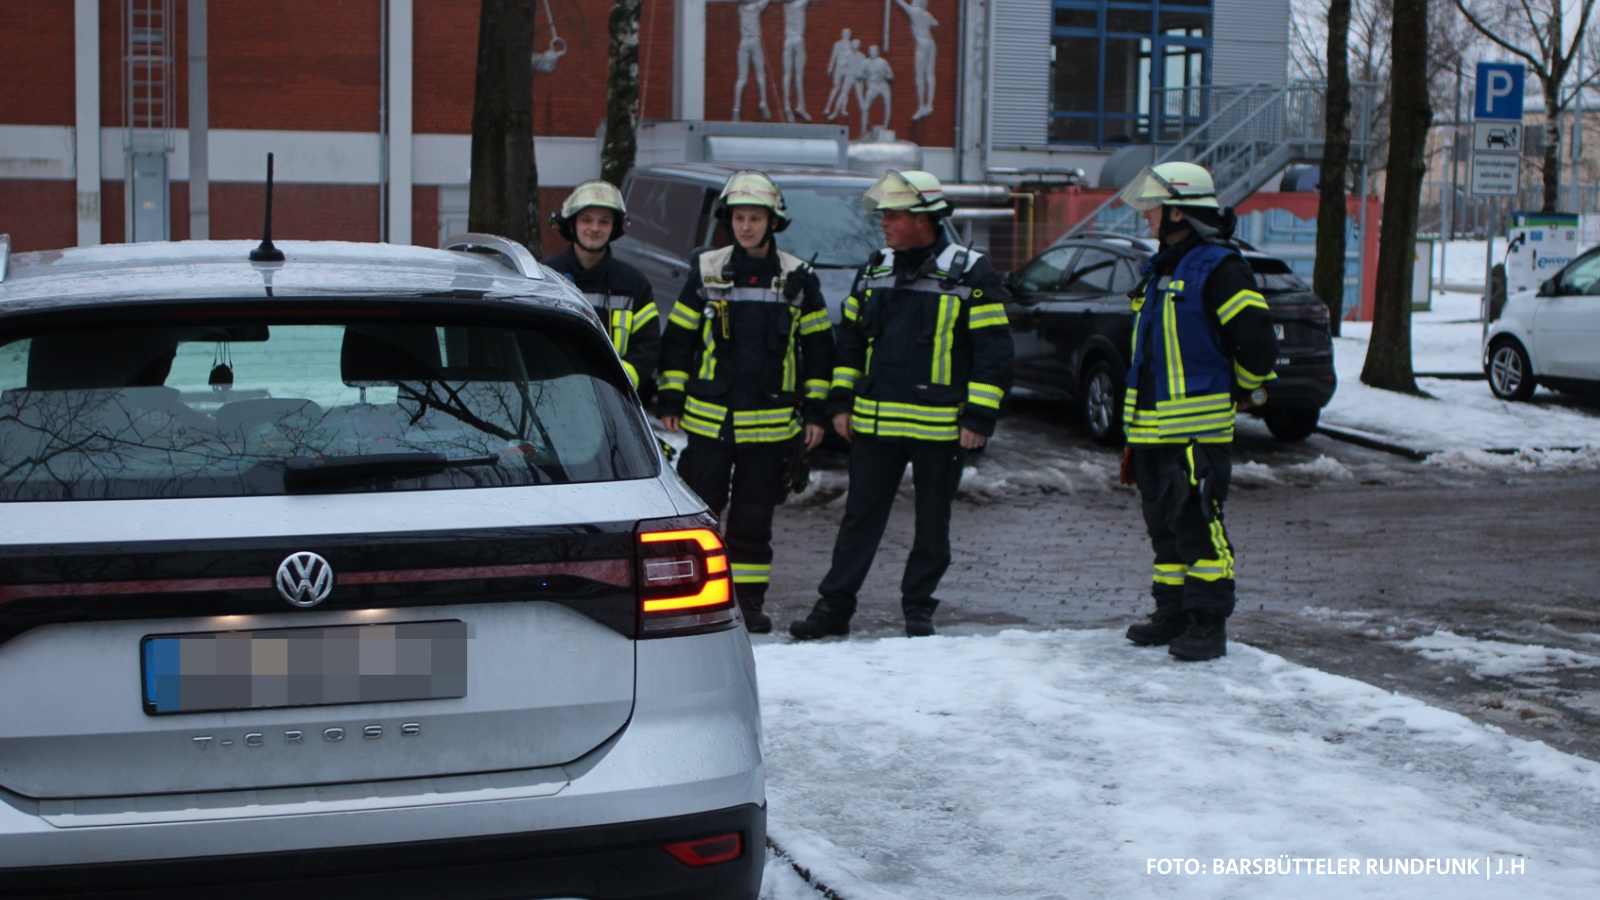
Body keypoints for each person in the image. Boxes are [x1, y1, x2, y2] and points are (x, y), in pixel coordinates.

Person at [790, 170, 1012, 640]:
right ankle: (833, 609)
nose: (884, 223)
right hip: (874, 424)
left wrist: (979, 416)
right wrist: (840, 404)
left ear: (923, 219)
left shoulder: (971, 271)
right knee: (859, 520)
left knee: (933, 525)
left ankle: (918, 609)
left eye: (893, 214)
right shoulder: (875, 268)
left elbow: (993, 349)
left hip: (941, 428)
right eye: (884, 214)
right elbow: (848, 341)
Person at [1115, 161, 1279, 661]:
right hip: (1149, 430)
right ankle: (1173, 612)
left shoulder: (1219, 267)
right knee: (1163, 529)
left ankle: (1208, 622)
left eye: (1154, 207)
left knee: (1197, 525)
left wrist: (1247, 389)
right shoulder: (1163, 267)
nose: (1146, 216)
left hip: (1194, 432)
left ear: (1180, 212)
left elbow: (1256, 342)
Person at [657, 170, 834, 633]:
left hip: (772, 427)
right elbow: (678, 340)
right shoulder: (707, 267)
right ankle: (693, 596)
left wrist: (816, 411)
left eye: (756, 217)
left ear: (773, 222)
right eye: (739, 217)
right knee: (701, 514)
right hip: (710, 423)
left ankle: (748, 604)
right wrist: (671, 394)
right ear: (728, 220)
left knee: (755, 521)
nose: (746, 226)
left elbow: (819, 351)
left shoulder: (797, 276)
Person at [542, 180, 660, 392]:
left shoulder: (633, 284)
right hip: (552, 392)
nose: (595, 228)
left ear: (614, 228)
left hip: (612, 399)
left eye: (604, 222)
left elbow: (647, 348)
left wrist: (617, 384)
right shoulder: (546, 276)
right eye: (586, 220)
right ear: (571, 224)